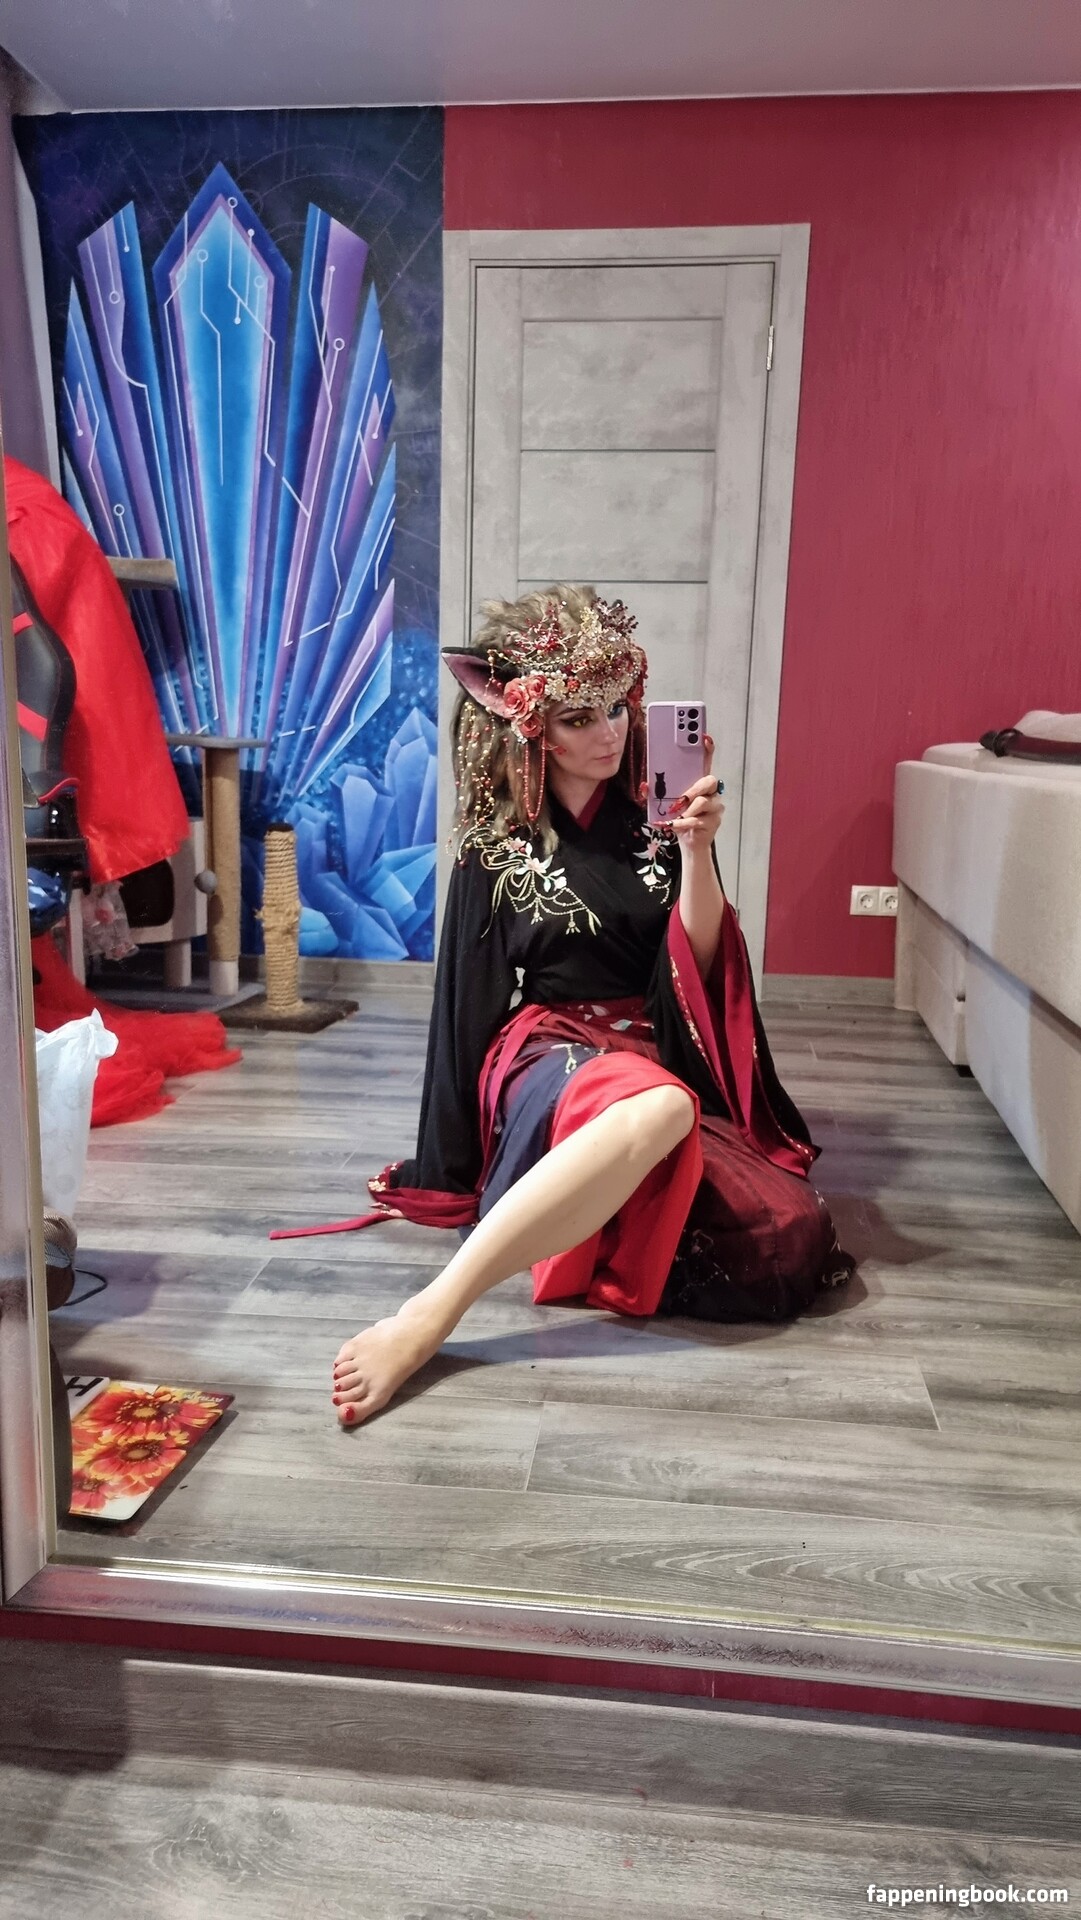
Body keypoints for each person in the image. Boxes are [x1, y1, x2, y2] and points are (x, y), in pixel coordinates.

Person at [331, 586, 850, 1426]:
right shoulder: (493, 849)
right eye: (578, 718)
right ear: (527, 724)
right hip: (548, 1049)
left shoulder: (660, 823)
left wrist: (697, 852)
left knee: (781, 1236)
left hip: (654, 1041)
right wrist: (449, 1166)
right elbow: (464, 1010)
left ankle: (577, 1208)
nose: (608, 733)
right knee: (659, 1109)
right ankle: (430, 1314)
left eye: (616, 708)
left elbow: (699, 962)